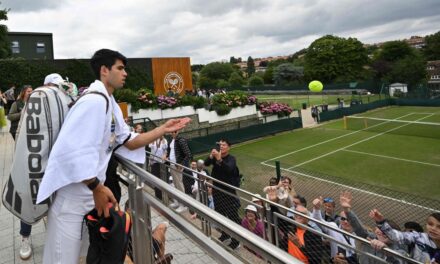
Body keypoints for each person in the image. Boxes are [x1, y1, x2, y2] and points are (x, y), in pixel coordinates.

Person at [36, 49, 190, 264]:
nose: (125, 73)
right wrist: (97, 188)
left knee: (85, 254)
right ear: (104, 70)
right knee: (61, 259)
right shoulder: (93, 102)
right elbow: (71, 151)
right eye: (120, 68)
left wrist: (162, 129)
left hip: (88, 194)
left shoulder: (109, 102)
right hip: (72, 197)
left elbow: (128, 140)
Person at [6, 84, 33, 259]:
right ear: (24, 93)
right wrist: (23, 114)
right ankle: (25, 237)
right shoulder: (18, 103)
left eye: (33, 91)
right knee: (27, 197)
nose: (31, 94)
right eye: (28, 92)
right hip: (20, 135)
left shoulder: (42, 106)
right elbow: (10, 116)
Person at [204, 139, 241, 250]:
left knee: (232, 217)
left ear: (229, 147)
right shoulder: (215, 157)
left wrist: (219, 159)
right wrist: (211, 156)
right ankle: (225, 234)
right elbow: (206, 164)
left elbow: (229, 170)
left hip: (228, 193)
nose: (221, 146)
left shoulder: (231, 159)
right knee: (220, 214)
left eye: (224, 145)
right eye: (220, 144)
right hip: (217, 191)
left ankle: (236, 241)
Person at [370, 208, 440, 263]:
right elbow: (396, 236)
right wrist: (381, 222)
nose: (433, 228)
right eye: (430, 224)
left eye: (439, 227)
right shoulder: (419, 237)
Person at [167, 130, 192, 213]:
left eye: (174, 132)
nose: (172, 133)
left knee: (179, 185)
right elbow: (171, 151)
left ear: (178, 132)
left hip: (177, 166)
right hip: (172, 164)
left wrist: (181, 164)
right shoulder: (172, 140)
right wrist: (166, 156)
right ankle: (178, 202)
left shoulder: (181, 140)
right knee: (176, 184)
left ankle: (183, 205)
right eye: (171, 132)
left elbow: (188, 154)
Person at [148, 135, 168, 200]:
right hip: (154, 162)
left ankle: (164, 195)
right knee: (156, 178)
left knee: (163, 178)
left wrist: (162, 140)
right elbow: (150, 147)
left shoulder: (164, 140)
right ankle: (158, 195)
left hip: (162, 162)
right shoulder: (152, 140)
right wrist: (154, 140)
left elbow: (165, 149)